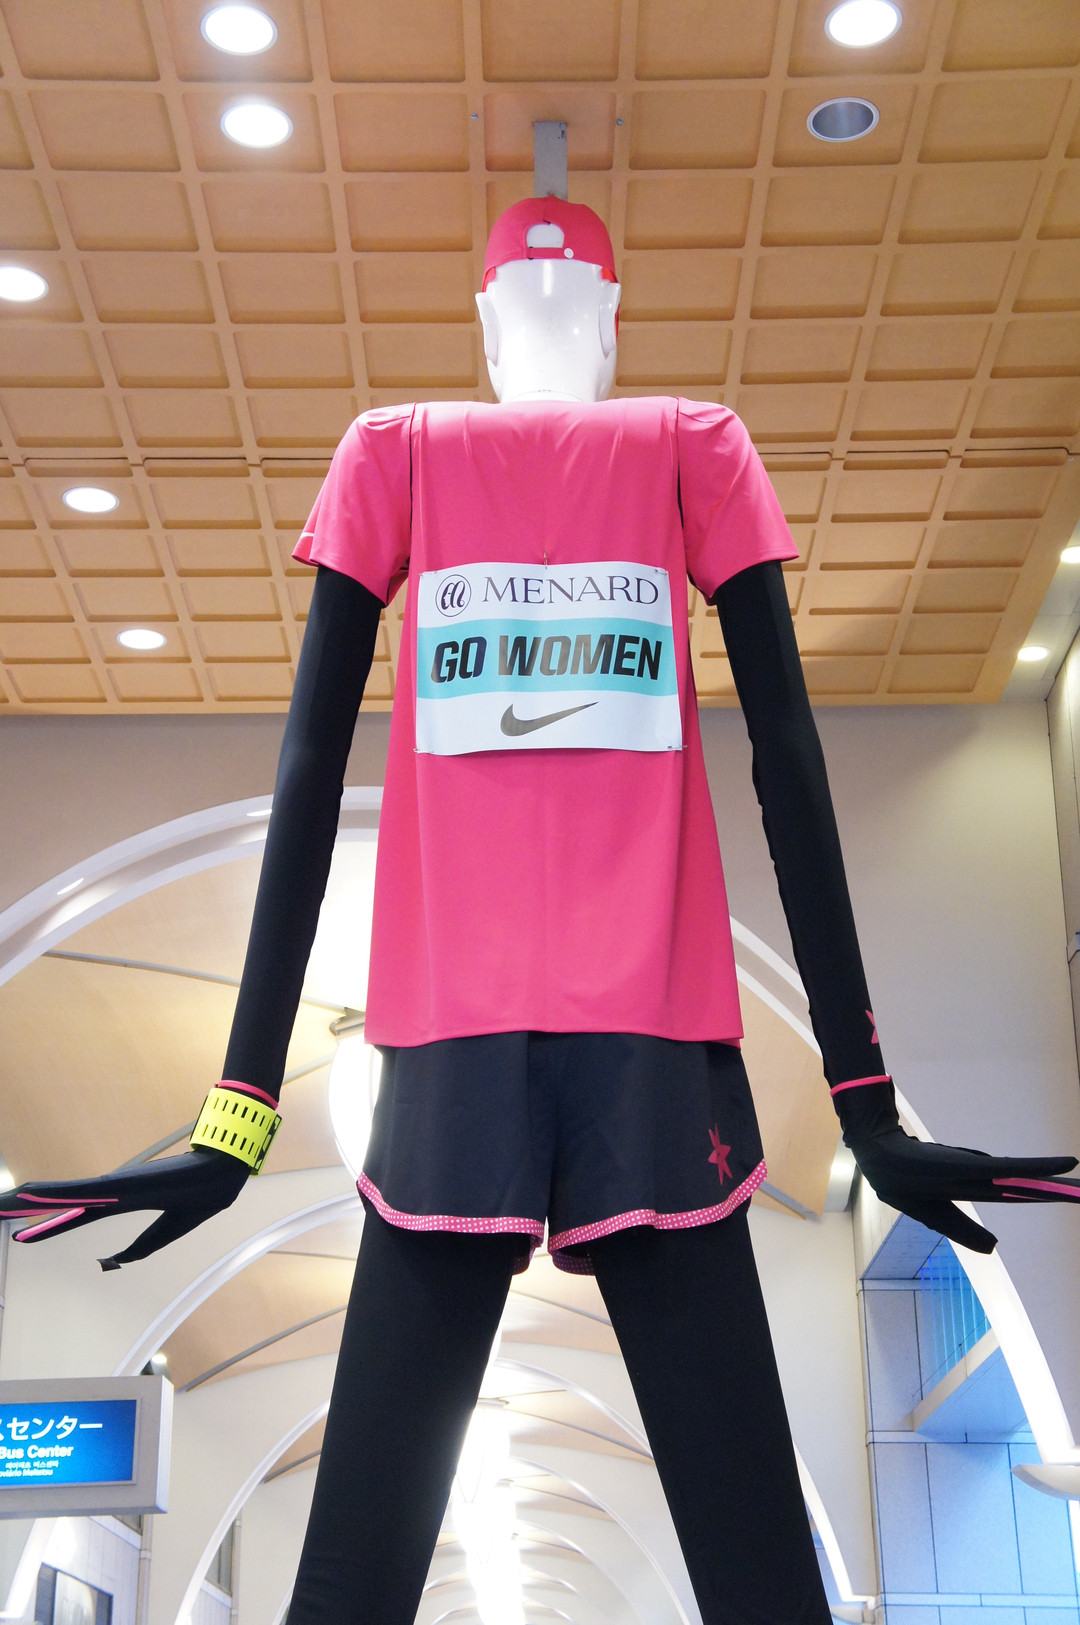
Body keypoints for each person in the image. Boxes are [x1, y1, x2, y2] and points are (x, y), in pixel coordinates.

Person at [4, 199, 1079, 1625]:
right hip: (611, 1048)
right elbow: (787, 765)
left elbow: (311, 777)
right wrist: (862, 1097)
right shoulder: (610, 445)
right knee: (748, 1579)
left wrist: (240, 1111)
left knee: (385, 1587)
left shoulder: (474, 448)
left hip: (520, 1045)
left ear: (501, 318)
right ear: (582, 321)